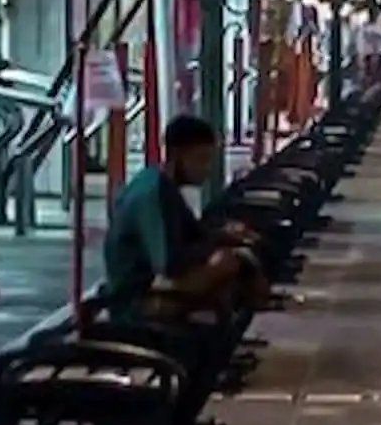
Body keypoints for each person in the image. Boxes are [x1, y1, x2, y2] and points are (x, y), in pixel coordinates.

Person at [103, 114, 268, 321]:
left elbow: (195, 234)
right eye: (201, 159)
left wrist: (226, 235)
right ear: (176, 155)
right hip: (135, 300)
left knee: (232, 261)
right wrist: (222, 247)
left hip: (151, 284)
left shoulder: (163, 186)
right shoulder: (153, 194)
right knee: (226, 264)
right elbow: (169, 262)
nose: (207, 169)